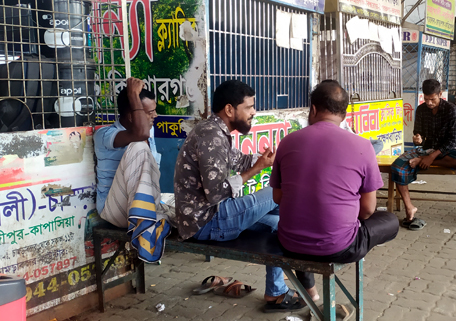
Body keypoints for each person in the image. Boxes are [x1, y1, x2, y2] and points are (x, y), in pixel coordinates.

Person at [174, 80, 306, 312]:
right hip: (206, 221)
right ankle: (312, 239)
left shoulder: (216, 132)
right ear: (229, 109)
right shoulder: (210, 135)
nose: (253, 112)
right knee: (279, 193)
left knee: (279, 223)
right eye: (249, 106)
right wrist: (255, 170)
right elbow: (214, 193)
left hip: (212, 215)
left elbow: (239, 160)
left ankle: (276, 293)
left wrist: (264, 160)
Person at [271, 80, 399, 297]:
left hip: (289, 243)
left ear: (312, 109)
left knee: (305, 225)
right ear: (345, 113)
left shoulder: (287, 142)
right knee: (391, 221)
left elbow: (277, 197)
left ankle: (310, 291)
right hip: (340, 247)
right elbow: (367, 210)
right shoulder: (362, 146)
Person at [390, 79, 456, 231]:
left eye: (432, 99)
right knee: (397, 167)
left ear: (440, 94)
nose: (429, 103)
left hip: (446, 151)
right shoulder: (421, 110)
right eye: (426, 99)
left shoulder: (450, 109)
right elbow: (419, 137)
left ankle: (421, 161)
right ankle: (409, 208)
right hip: (426, 150)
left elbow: (453, 140)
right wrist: (417, 138)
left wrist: (430, 158)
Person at [94, 77, 160, 215]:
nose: (155, 115)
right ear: (132, 116)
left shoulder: (149, 132)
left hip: (143, 205)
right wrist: (133, 95)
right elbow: (139, 134)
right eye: (149, 113)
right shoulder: (105, 135)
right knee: (139, 146)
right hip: (113, 209)